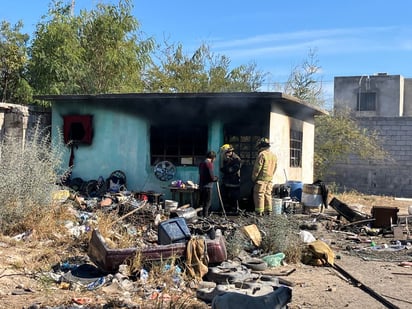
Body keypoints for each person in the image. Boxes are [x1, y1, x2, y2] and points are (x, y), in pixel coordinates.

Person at [252, 137, 277, 215]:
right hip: (269, 180)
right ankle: (269, 211)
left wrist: (254, 178)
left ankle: (259, 212)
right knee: (268, 194)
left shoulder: (262, 154)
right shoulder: (273, 155)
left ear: (261, 146)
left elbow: (257, 168)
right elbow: (275, 167)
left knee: (259, 195)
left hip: (261, 180)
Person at [219, 144, 241, 213]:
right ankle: (227, 209)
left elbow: (232, 170)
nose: (225, 154)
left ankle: (234, 210)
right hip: (227, 181)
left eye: (225, 152)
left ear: (229, 151)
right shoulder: (226, 158)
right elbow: (222, 168)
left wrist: (225, 168)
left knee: (233, 196)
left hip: (234, 181)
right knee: (225, 195)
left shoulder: (236, 159)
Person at [198, 150, 218, 217]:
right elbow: (211, 177)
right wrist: (216, 178)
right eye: (214, 159)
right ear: (213, 158)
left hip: (201, 185)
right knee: (207, 203)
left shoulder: (201, 163)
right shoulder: (209, 164)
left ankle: (199, 217)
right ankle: (205, 218)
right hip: (208, 186)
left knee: (201, 203)